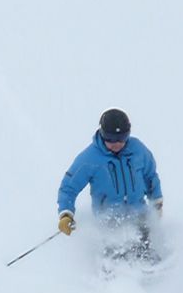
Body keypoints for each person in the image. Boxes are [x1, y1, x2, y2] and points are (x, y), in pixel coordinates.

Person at [56, 108, 163, 260]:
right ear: (102, 134)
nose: (117, 144)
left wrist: (156, 202)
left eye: (122, 138)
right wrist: (66, 214)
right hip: (109, 221)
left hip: (139, 214)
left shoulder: (138, 150)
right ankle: (111, 277)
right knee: (115, 256)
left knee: (144, 251)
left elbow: (150, 176)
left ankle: (153, 276)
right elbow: (68, 188)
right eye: (111, 139)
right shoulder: (90, 158)